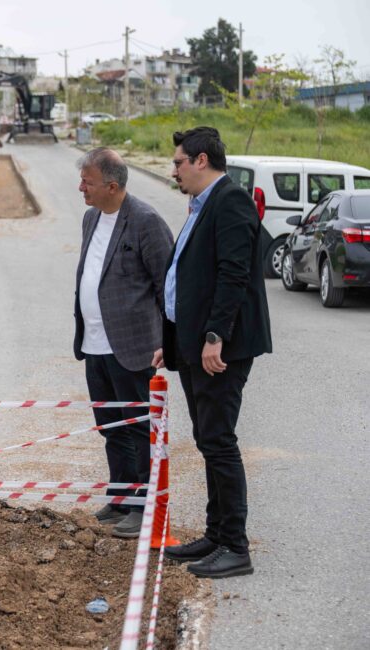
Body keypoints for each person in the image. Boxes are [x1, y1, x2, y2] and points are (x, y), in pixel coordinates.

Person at [157, 126, 272, 578]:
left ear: (201, 160)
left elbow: (234, 274)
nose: (174, 170)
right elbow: (188, 279)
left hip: (219, 349)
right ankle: (216, 534)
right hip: (197, 346)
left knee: (219, 441)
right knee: (208, 440)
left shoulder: (231, 201)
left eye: (179, 162)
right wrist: (173, 344)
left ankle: (236, 547)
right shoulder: (204, 204)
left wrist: (213, 337)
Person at [73, 147, 173, 539]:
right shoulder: (90, 218)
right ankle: (120, 497)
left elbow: (167, 284)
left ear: (112, 186)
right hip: (94, 344)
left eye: (88, 182)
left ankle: (141, 506)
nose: (81, 187)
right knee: (111, 427)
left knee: (137, 429)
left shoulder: (146, 222)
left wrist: (169, 339)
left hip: (132, 346)